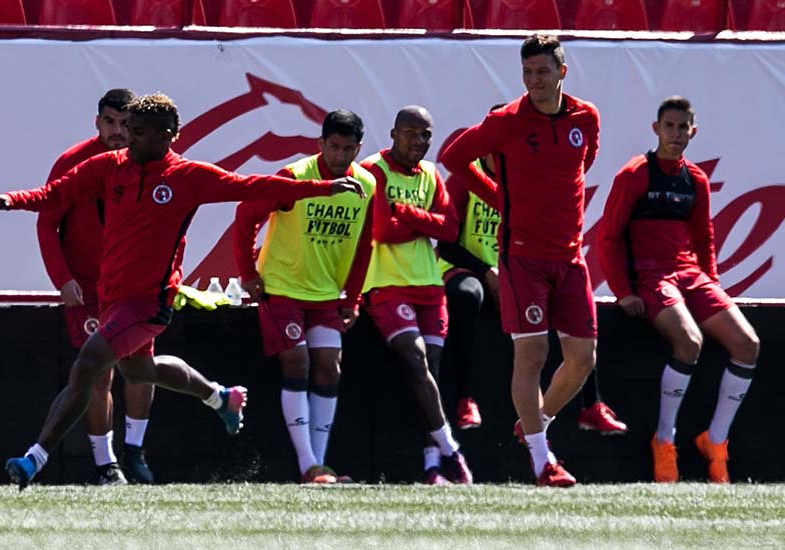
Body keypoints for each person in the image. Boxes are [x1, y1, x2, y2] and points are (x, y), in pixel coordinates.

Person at [0, 93, 366, 489]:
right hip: (112, 297)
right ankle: (220, 396)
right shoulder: (110, 166)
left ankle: (33, 459)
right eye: (129, 129)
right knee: (140, 370)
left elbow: (253, 186)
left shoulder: (187, 177)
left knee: (89, 363)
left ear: (166, 135)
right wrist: (10, 200)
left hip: (149, 303)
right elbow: (56, 193)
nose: (128, 137)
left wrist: (325, 189)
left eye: (137, 131)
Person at [439, 34, 600, 487]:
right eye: (527, 72)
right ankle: (542, 460)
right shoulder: (507, 120)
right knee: (532, 354)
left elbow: (582, 163)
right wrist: (499, 198)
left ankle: (535, 422)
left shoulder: (586, 117)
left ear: (562, 72)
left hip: (570, 255)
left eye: (542, 71)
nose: (534, 80)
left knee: (582, 359)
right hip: (523, 257)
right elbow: (453, 157)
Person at [597, 96, 760, 484]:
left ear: (693, 131)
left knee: (748, 345)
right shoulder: (634, 174)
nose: (676, 133)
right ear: (655, 129)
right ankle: (664, 439)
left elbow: (704, 238)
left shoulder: (696, 179)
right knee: (689, 343)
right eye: (669, 126)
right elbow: (607, 238)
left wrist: (711, 283)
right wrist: (623, 291)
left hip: (691, 276)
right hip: (652, 278)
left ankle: (715, 441)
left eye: (682, 127)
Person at [437, 113, 627, 436]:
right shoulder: (464, 180)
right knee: (467, 296)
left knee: (572, 314)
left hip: (519, 268)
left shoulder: (527, 180)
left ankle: (589, 405)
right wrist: (486, 272)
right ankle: (464, 398)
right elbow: (446, 244)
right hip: (471, 268)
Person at [233, 110, 375, 484]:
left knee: (329, 367)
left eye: (348, 149)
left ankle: (318, 465)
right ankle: (308, 464)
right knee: (297, 362)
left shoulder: (367, 184)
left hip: (326, 295)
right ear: (320, 143)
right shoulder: (294, 176)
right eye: (333, 146)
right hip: (282, 289)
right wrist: (248, 273)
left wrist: (353, 298)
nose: (339, 156)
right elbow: (246, 214)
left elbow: (364, 245)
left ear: (359, 148)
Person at [37, 88, 158, 485]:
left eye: (125, 123)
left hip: (136, 287)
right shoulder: (73, 163)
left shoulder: (152, 162)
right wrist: (62, 279)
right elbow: (47, 222)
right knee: (99, 372)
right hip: (89, 289)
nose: (117, 131)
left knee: (140, 368)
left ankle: (135, 453)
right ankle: (107, 465)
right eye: (110, 122)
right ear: (97, 122)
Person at [360, 106, 473, 485]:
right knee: (415, 357)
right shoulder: (373, 170)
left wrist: (406, 212)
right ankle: (451, 450)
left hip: (429, 284)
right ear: (393, 133)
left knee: (432, 372)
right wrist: (425, 223)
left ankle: (432, 467)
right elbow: (382, 230)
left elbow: (451, 229)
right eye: (411, 132)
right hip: (386, 283)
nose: (419, 141)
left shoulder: (430, 174)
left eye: (425, 134)